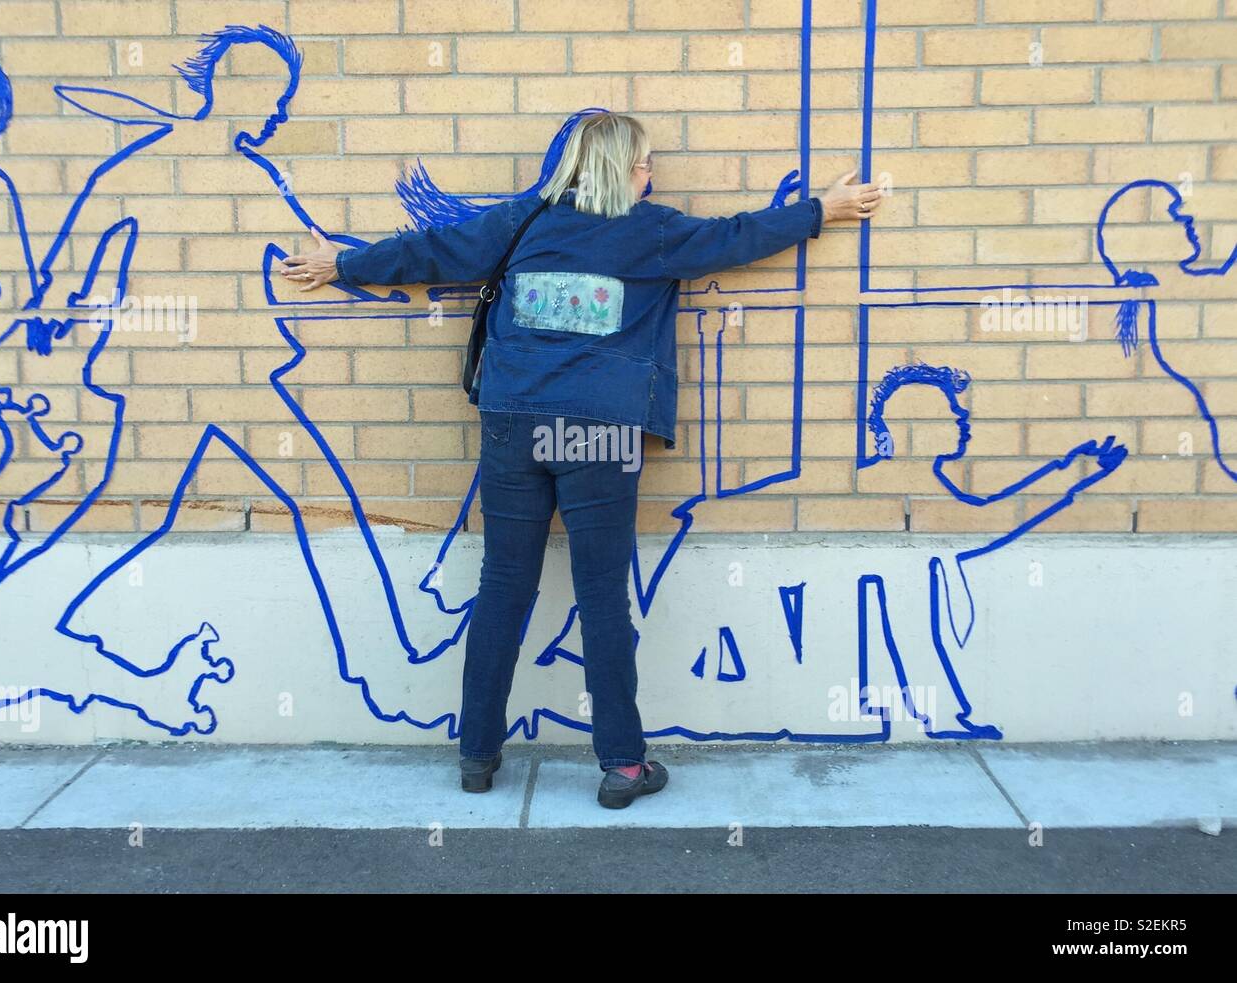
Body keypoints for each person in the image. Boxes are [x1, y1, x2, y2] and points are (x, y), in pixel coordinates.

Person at [280, 111, 882, 808]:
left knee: (503, 585)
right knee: (601, 593)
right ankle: (622, 765)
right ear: (621, 170)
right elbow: (737, 237)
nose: (651, 174)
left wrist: (342, 263)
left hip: (513, 423)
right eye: (645, 163)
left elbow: (434, 253)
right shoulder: (651, 230)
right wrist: (823, 210)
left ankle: (477, 755)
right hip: (600, 432)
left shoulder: (522, 220)